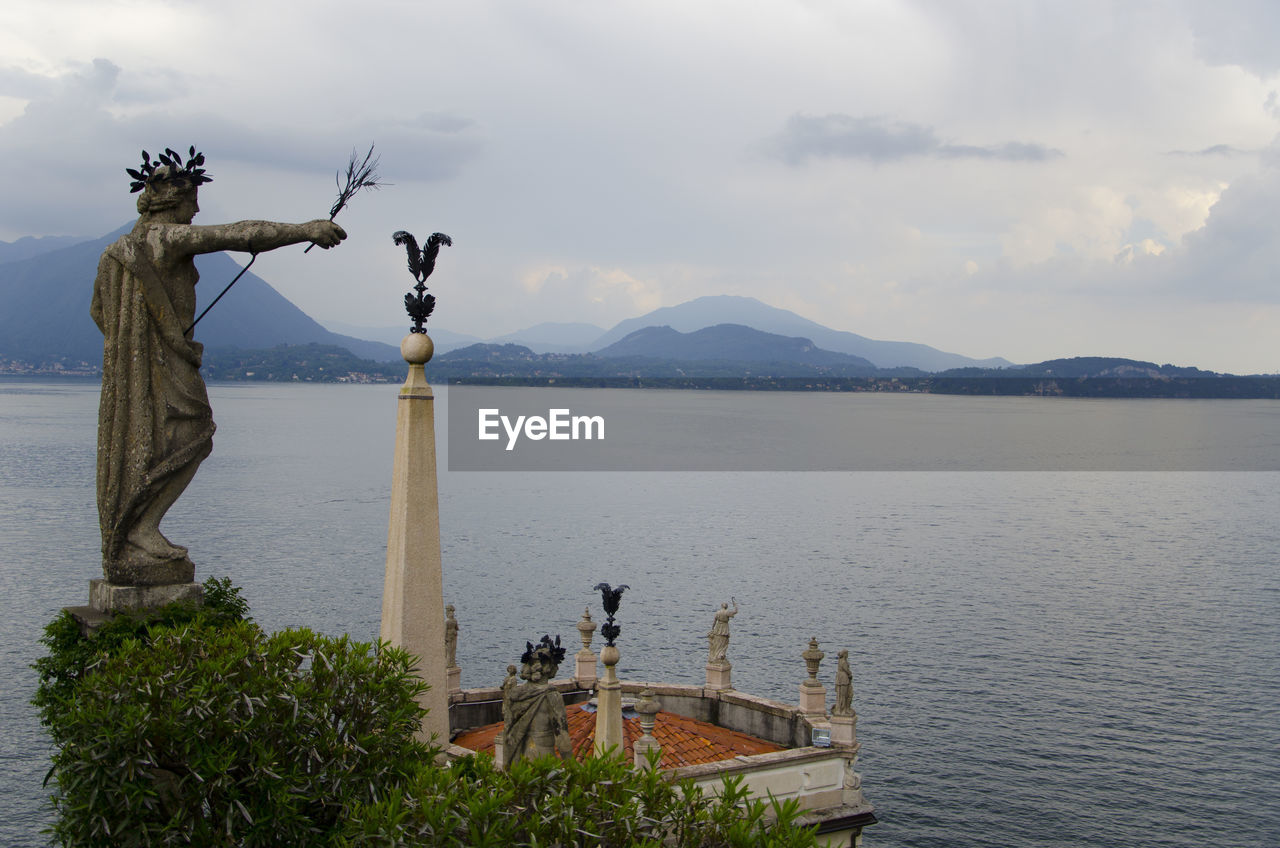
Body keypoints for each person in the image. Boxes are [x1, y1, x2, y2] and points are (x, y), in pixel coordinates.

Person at [92, 149, 345, 585]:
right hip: (163, 361)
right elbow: (242, 234)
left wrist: (136, 340)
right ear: (172, 201)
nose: (197, 210)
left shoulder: (115, 254)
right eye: (192, 201)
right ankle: (143, 530)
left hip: (134, 368)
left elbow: (98, 311)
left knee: (155, 441)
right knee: (195, 433)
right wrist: (307, 229)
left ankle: (135, 533)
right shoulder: (162, 240)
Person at [502, 635, 573, 767]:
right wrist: (574, 769)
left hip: (519, 760)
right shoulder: (552, 696)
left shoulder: (516, 694)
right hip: (542, 759)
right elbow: (562, 738)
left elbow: (508, 728)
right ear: (550, 668)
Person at [707, 598, 738, 662]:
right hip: (724, 628)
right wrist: (735, 605)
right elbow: (735, 612)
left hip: (718, 627)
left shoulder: (717, 612)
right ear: (726, 607)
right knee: (724, 641)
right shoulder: (727, 612)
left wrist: (712, 628)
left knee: (717, 641)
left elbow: (714, 622)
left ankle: (716, 654)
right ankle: (720, 654)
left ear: (721, 606)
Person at [833, 649, 854, 716]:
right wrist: (850, 674)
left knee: (840, 695)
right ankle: (843, 710)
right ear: (845, 654)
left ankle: (840, 708)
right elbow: (847, 670)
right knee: (843, 695)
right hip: (843, 679)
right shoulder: (843, 662)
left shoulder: (840, 660)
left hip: (840, 678)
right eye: (847, 654)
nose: (847, 655)